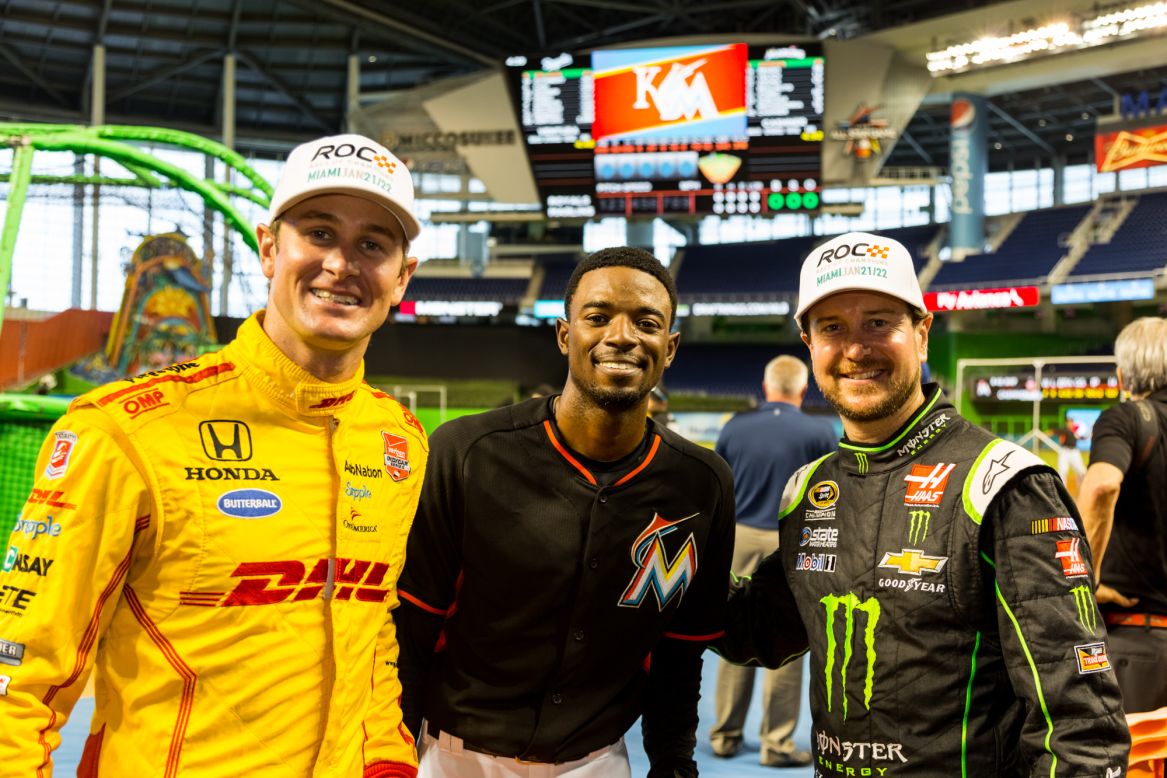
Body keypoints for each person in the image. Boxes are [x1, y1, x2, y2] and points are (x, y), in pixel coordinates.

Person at [0, 134, 428, 775]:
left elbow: (372, 637)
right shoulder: (124, 430)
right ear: (267, 248)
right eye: (317, 233)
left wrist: (390, 760)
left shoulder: (400, 440)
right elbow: (17, 678)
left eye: (373, 244)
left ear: (402, 276)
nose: (342, 264)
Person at [718, 231, 1130, 775]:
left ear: (922, 332)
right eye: (832, 327)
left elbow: (1080, 722)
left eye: (879, 323)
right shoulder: (809, 490)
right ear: (809, 343)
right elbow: (760, 630)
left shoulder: (1003, 482)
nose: (856, 348)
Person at [396, 246, 735, 778]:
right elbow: (410, 631)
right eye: (597, 317)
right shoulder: (466, 451)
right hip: (454, 758)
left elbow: (679, 653)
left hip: (597, 761)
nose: (621, 336)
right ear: (564, 335)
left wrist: (673, 764)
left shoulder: (702, 483)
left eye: (646, 322)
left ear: (669, 348)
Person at [709, 355, 834, 767]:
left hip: (738, 537)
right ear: (802, 390)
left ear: (765, 389)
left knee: (732, 630)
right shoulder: (820, 430)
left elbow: (720, 484)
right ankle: (776, 744)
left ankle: (724, 735)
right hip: (792, 544)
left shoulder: (735, 426)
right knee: (788, 640)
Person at [1079, 316, 1167, 713]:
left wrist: (1085, 579)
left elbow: (1101, 486)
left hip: (1140, 643)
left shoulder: (1127, 417)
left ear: (1121, 374)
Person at [1051, 420, 1087, 488]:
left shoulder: (1076, 431)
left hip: (1074, 452)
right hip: (1064, 452)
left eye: (1071, 422)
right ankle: (1062, 489)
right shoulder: (1064, 430)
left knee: (1081, 471)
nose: (1069, 424)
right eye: (1068, 422)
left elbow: (1083, 438)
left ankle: (1082, 487)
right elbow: (1054, 431)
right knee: (1062, 471)